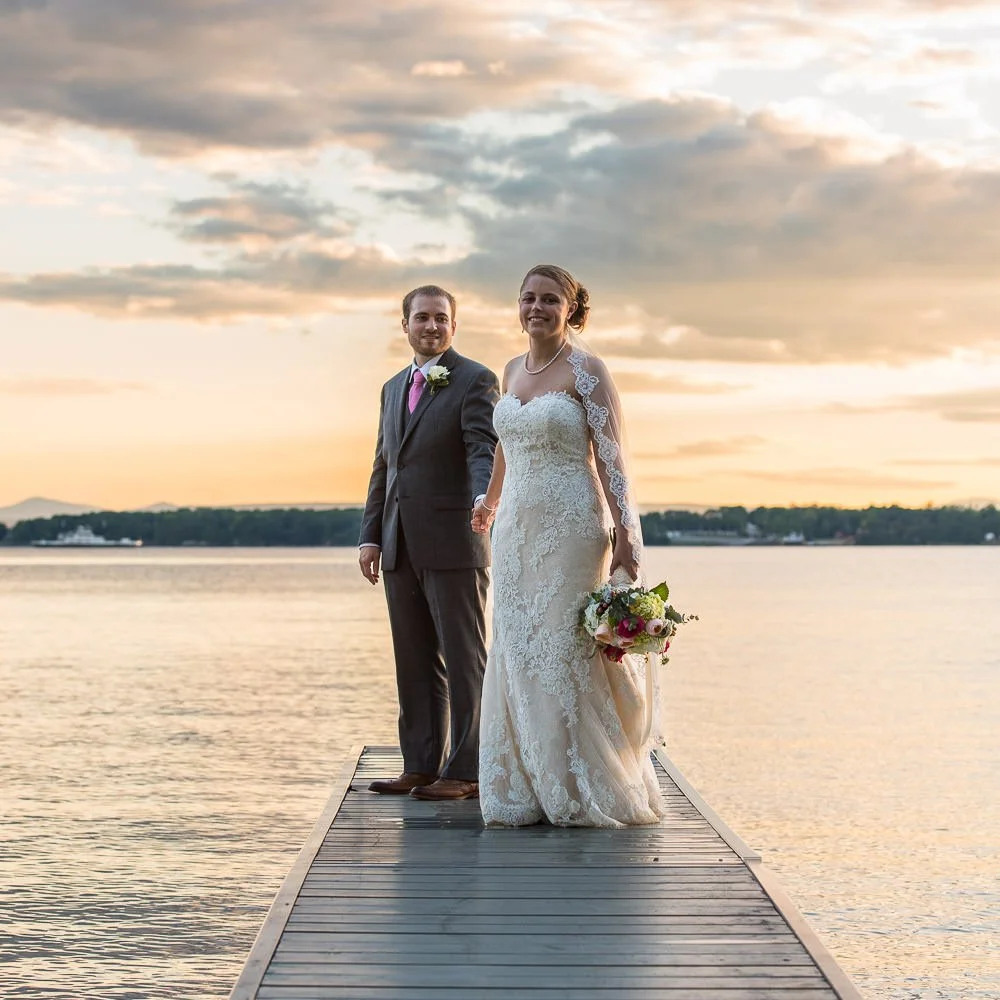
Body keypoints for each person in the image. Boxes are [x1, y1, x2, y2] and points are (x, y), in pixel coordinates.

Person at [471, 264, 664, 827]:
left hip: (572, 527)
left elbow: (612, 460)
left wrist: (628, 537)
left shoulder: (588, 370)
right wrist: (489, 502)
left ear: (571, 308)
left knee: (561, 648)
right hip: (514, 534)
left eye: (550, 299)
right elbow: (507, 444)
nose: (536, 308)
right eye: (528, 298)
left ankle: (579, 782)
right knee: (516, 649)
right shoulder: (511, 369)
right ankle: (525, 782)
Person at [360, 285, 500, 801]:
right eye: (422, 318)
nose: (432, 326)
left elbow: (481, 447)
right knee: (413, 658)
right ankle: (419, 765)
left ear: (454, 325)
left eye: (442, 318)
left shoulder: (475, 379)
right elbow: (384, 466)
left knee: (465, 660)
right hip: (398, 544)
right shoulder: (392, 387)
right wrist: (369, 536)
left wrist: (485, 499)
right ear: (405, 325)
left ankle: (465, 771)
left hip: (455, 540)